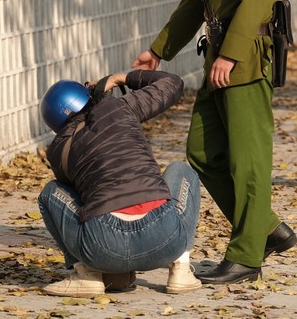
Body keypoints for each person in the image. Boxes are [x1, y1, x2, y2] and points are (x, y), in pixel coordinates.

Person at [132, 0, 297, 285]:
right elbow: (194, 3)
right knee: (202, 151)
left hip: (240, 63)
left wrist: (232, 54)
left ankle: (247, 255)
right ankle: (265, 228)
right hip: (218, 62)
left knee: (249, 161)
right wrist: (158, 51)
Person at [37, 69, 202, 296]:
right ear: (88, 98)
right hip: (166, 238)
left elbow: (80, 202)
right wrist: (119, 79)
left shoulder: (57, 151)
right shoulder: (118, 108)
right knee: (181, 169)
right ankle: (181, 270)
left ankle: (86, 275)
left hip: (103, 246)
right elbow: (173, 82)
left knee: (51, 192)